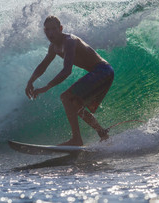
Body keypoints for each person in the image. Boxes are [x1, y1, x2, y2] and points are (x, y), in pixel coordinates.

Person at [25, 16, 114, 146]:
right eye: (47, 30)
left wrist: (46, 87)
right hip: (100, 73)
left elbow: (67, 70)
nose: (50, 33)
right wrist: (30, 82)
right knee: (75, 103)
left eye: (54, 29)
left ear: (60, 28)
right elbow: (44, 65)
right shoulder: (53, 47)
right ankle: (102, 134)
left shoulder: (69, 41)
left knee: (66, 97)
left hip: (103, 71)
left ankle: (76, 139)